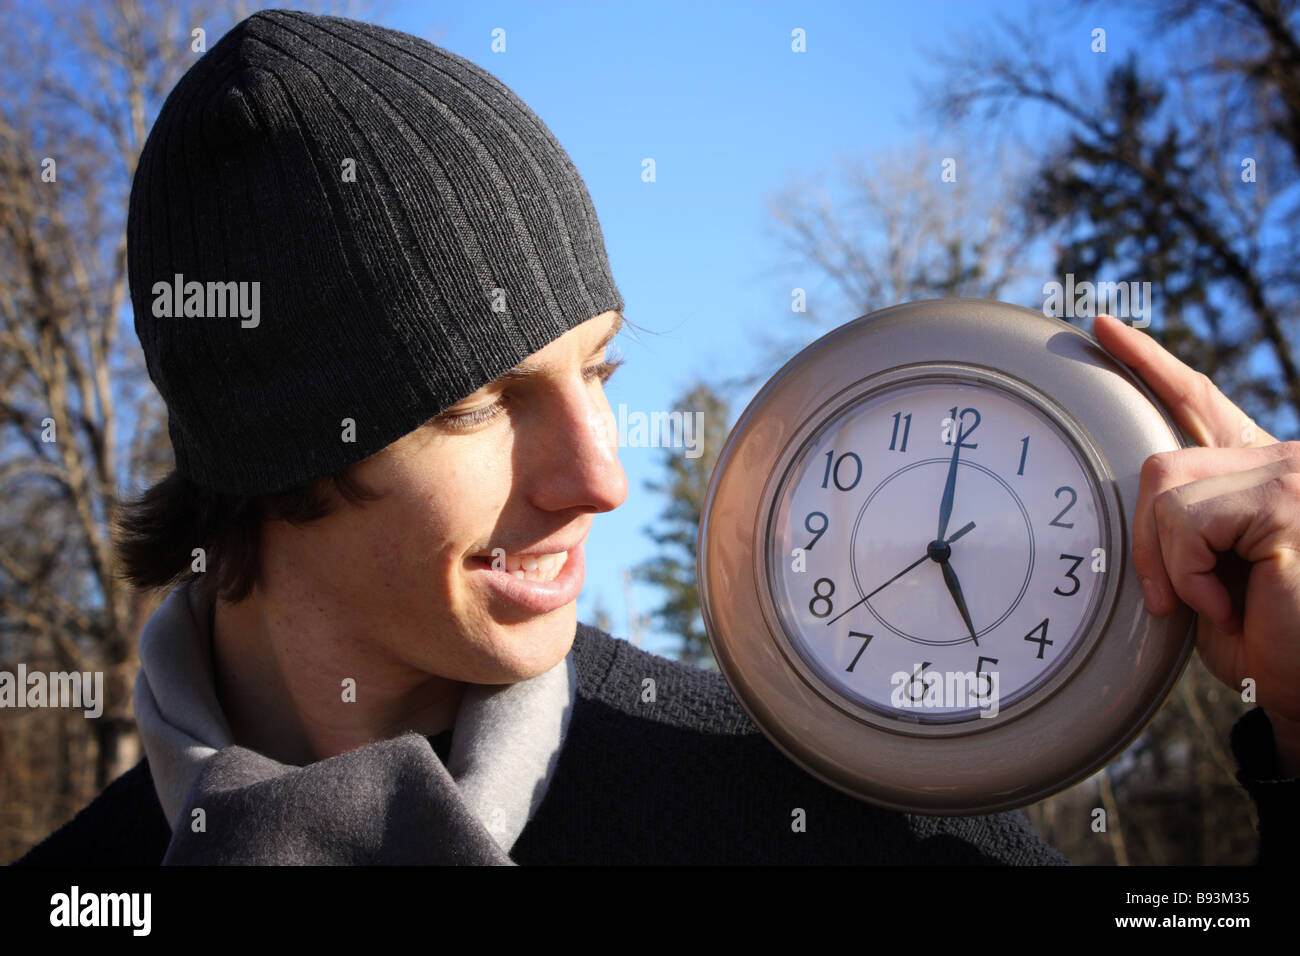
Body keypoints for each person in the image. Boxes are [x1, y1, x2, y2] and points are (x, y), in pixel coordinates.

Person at [14, 9, 1299, 866]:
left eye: (599, 369)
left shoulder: (852, 828)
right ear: (267, 445)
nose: (603, 476)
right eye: (475, 401)